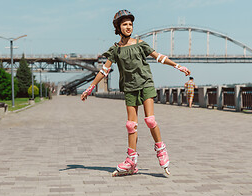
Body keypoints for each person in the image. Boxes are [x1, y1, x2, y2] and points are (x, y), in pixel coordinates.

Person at [81, 10, 191, 176]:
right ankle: (131, 161)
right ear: (118, 27)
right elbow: (104, 70)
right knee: (131, 125)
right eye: (124, 24)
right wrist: (90, 87)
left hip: (145, 83)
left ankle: (161, 151)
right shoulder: (115, 50)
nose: (128, 27)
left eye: (130, 24)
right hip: (129, 86)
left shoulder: (140, 44)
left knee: (150, 120)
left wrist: (177, 66)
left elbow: (158, 57)